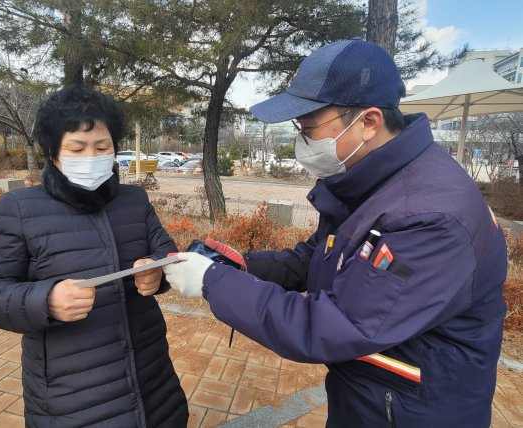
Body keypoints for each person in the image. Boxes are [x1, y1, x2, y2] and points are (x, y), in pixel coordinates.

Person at [162, 39, 507, 427]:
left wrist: (215, 282)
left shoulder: (428, 217)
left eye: (309, 128)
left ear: (369, 122)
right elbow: (320, 254)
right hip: (373, 393)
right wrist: (239, 266)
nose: (301, 141)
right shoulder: (372, 181)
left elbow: (336, 324)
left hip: (414, 410)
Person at [0, 86, 188, 427]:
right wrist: (46, 299)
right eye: (77, 148)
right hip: (72, 398)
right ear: (53, 152)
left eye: (102, 147)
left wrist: (157, 274)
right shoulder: (21, 208)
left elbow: (166, 252)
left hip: (152, 379)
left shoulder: (133, 200)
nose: (91, 156)